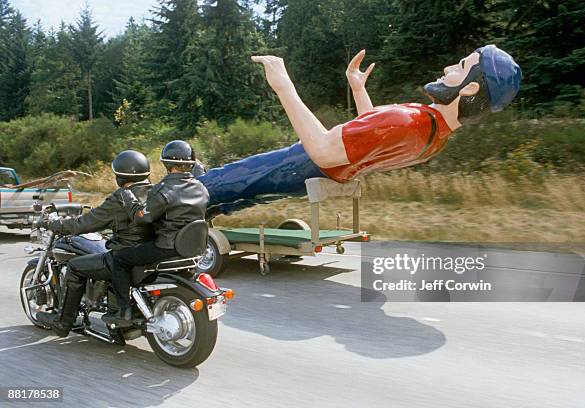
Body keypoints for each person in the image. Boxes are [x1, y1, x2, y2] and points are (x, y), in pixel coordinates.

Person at [198, 45, 521, 215]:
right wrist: (357, 89)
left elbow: (323, 150)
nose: (448, 68)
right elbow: (371, 138)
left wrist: (284, 86)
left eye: (460, 67)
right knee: (232, 197)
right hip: (326, 174)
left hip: (302, 164)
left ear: (469, 89)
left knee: (215, 183)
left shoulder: (410, 119)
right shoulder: (434, 135)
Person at [35, 150, 155, 337]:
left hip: (124, 256)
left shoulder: (121, 198)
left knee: (75, 267)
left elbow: (82, 224)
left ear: (120, 176)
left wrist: (53, 224)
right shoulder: (157, 192)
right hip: (149, 252)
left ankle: (62, 323)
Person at [103, 140, 209, 327]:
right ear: (190, 162)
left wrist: (127, 195)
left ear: (166, 164)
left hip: (168, 247)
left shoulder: (163, 190)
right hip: (194, 248)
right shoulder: (201, 188)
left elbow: (142, 217)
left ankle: (124, 311)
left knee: (120, 259)